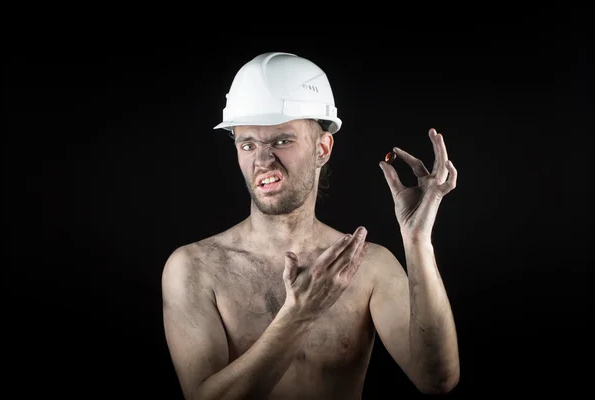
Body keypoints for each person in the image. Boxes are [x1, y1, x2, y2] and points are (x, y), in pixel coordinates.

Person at [162, 52, 460, 400]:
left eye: (281, 141)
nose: (262, 160)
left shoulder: (367, 267)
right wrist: (299, 315)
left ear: (322, 148)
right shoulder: (194, 268)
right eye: (248, 144)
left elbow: (436, 379)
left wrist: (417, 241)